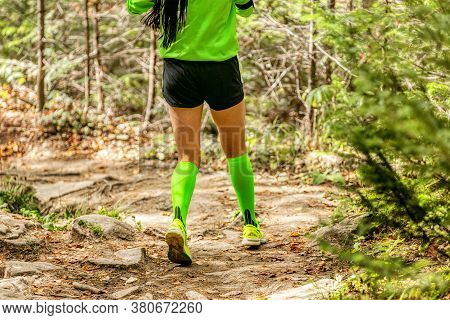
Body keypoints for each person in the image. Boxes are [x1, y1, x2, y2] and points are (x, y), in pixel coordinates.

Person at [126, 0, 266, 265]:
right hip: (221, 68)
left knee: (187, 157)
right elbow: (246, 9)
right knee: (236, 149)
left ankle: (178, 222)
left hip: (179, 70)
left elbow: (134, 6)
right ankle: (250, 225)